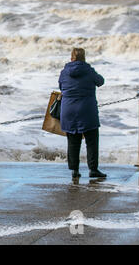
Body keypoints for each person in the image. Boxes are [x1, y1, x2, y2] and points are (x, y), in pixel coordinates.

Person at [59, 48, 107, 179]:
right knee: (91, 140)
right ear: (84, 57)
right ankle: (93, 169)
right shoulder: (89, 71)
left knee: (73, 141)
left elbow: (61, 86)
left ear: (71, 58)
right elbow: (100, 81)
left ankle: (74, 171)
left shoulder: (64, 72)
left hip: (68, 111)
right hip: (87, 110)